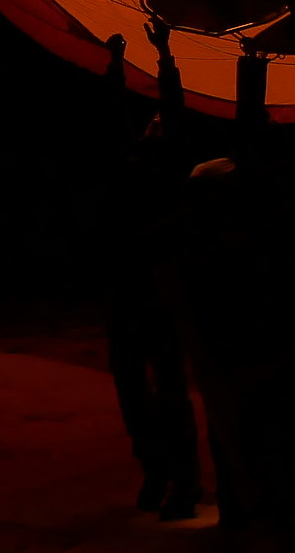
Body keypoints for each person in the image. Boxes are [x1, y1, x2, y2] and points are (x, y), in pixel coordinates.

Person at [101, 28, 202, 520]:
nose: (155, 122)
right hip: (128, 288)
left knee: (168, 391)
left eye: (160, 121)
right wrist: (115, 65)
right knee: (134, 391)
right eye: (154, 120)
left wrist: (165, 55)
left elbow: (174, 110)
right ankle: (158, 471)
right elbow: (114, 116)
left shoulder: (171, 167)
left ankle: (183, 483)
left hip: (157, 288)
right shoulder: (130, 160)